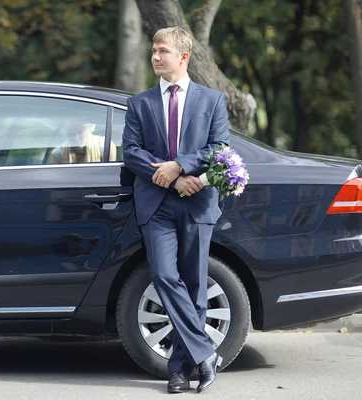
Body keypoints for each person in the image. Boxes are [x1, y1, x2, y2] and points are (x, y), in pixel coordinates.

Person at [122, 27, 230, 394]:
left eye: (162, 50)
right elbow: (131, 153)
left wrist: (181, 166)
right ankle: (206, 354)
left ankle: (179, 371)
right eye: (153, 50)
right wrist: (169, 177)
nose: (155, 56)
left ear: (183, 56)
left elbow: (218, 148)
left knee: (197, 287)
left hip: (198, 202)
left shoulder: (212, 100)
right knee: (165, 276)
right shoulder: (140, 103)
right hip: (156, 205)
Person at [49, 121, 116, 164]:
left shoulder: (105, 146)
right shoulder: (57, 154)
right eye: (71, 132)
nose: (76, 136)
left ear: (90, 128)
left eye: (80, 131)